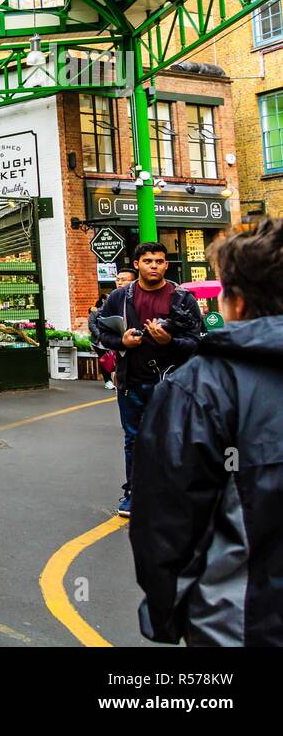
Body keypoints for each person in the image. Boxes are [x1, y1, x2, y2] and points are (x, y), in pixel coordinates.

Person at [130, 219, 283, 645]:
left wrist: (164, 615)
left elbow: (166, 521)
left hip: (241, 621)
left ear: (233, 300)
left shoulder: (199, 388)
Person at [97, 241, 202, 518]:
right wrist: (121, 341)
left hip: (171, 383)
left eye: (159, 261)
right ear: (137, 264)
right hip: (131, 381)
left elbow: (196, 342)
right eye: (148, 261)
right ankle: (134, 493)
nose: (154, 266)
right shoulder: (120, 297)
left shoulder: (181, 298)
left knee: (172, 438)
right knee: (134, 439)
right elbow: (99, 333)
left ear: (166, 265)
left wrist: (169, 341)